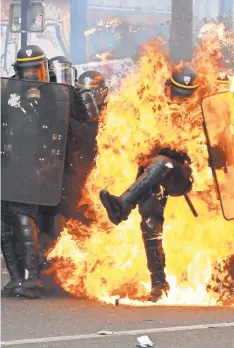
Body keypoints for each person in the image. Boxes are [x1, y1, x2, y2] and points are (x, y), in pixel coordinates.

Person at [99, 67, 198, 302]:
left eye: (187, 95)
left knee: (164, 162)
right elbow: (140, 148)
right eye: (177, 93)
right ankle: (158, 285)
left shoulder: (199, 114)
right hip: (154, 176)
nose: (181, 100)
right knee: (151, 224)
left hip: (182, 176)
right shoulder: (153, 112)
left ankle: (123, 205)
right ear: (168, 88)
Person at [1, 45, 49, 299]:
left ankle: (34, 278)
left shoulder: (55, 95)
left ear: (43, 67)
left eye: (35, 68)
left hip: (34, 166)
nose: (31, 74)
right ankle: (16, 278)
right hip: (8, 165)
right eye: (25, 69)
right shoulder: (7, 90)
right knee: (4, 224)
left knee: (24, 219)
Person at [39, 56, 100, 242]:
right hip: (45, 166)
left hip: (73, 165)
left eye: (62, 75)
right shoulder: (40, 98)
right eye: (54, 77)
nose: (58, 81)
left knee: (65, 211)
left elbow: (92, 133)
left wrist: (67, 123)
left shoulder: (81, 97)